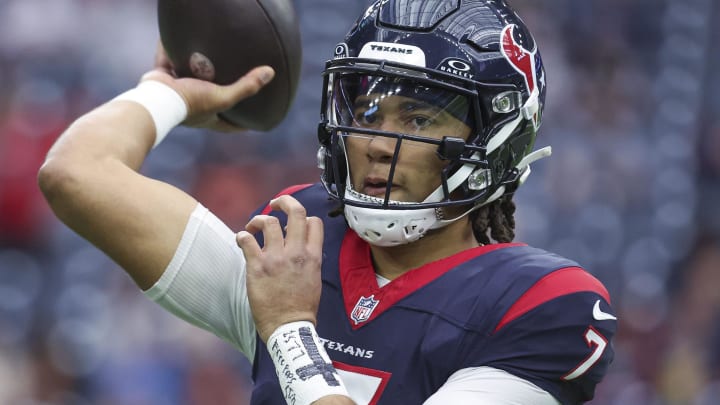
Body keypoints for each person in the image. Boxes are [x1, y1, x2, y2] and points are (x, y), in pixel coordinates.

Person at [38, 0, 617, 404]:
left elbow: (287, 322)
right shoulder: (298, 243)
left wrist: (290, 331)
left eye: (417, 117)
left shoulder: (544, 304)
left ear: (495, 139)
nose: (374, 143)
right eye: (367, 114)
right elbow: (76, 175)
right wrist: (164, 95)